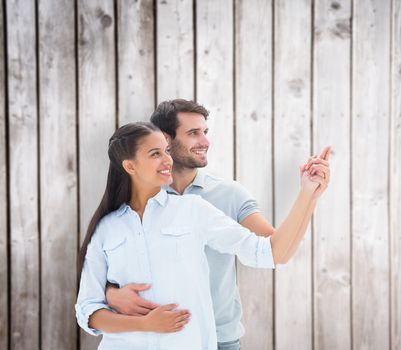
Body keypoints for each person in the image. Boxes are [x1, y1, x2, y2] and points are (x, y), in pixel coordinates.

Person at [76, 121, 329, 349]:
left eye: (166, 150)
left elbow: (269, 253)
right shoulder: (106, 228)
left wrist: (308, 193)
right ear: (130, 166)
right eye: (155, 154)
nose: (167, 160)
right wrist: (146, 324)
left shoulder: (192, 210)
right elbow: (88, 310)